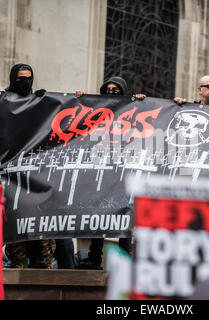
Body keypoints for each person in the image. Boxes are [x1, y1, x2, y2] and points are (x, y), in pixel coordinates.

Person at [0, 63, 59, 269]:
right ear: (13, 79)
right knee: (15, 217)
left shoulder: (37, 101)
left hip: (34, 174)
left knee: (38, 217)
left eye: (29, 78)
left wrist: (46, 102)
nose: (25, 82)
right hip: (9, 174)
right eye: (21, 78)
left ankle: (42, 260)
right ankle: (18, 261)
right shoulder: (1, 102)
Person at [74, 76, 144, 270]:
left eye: (116, 90)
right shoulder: (97, 111)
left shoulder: (130, 109)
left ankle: (125, 261)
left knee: (124, 217)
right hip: (102, 172)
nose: (111, 92)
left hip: (123, 172)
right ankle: (95, 258)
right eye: (108, 89)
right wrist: (80, 99)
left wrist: (140, 101)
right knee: (99, 214)